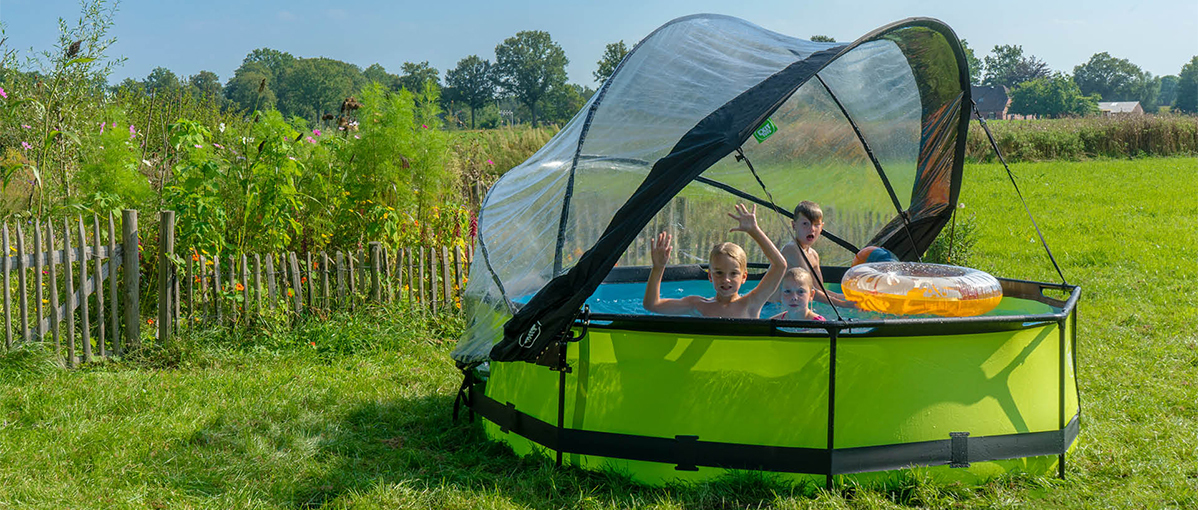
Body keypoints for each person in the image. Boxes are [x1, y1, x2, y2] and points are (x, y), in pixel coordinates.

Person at [643, 203, 786, 319]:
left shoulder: (751, 303)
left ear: (744, 277)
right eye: (719, 273)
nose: (726, 279)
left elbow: (780, 266)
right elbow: (652, 305)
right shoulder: (697, 305)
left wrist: (754, 231)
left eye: (733, 273)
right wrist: (658, 268)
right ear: (710, 276)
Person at [778, 200, 854, 308]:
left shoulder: (813, 255)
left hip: (793, 307)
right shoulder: (792, 249)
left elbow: (819, 290)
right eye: (805, 224)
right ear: (794, 225)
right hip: (773, 307)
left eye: (816, 225)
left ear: (822, 227)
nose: (812, 229)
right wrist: (844, 304)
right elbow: (810, 290)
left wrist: (844, 297)